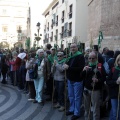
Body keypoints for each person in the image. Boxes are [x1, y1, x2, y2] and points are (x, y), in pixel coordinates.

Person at [63, 43, 85, 120]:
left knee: (77, 97)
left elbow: (80, 68)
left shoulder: (80, 56)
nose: (72, 48)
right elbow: (66, 66)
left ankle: (77, 112)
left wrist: (69, 68)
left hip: (77, 80)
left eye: (74, 47)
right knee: (71, 96)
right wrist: (65, 66)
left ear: (77, 48)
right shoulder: (69, 56)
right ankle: (72, 109)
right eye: (71, 47)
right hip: (70, 79)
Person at [82, 51, 106, 120]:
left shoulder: (100, 66)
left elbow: (104, 78)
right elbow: (81, 76)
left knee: (96, 108)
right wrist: (84, 70)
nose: (91, 60)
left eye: (93, 58)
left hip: (95, 90)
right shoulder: (87, 65)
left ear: (96, 58)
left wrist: (98, 80)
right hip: (86, 89)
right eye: (90, 58)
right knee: (86, 107)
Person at [106, 54, 120, 120]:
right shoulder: (113, 69)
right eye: (119, 60)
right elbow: (108, 81)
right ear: (117, 61)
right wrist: (116, 82)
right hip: (114, 93)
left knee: (117, 111)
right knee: (115, 112)